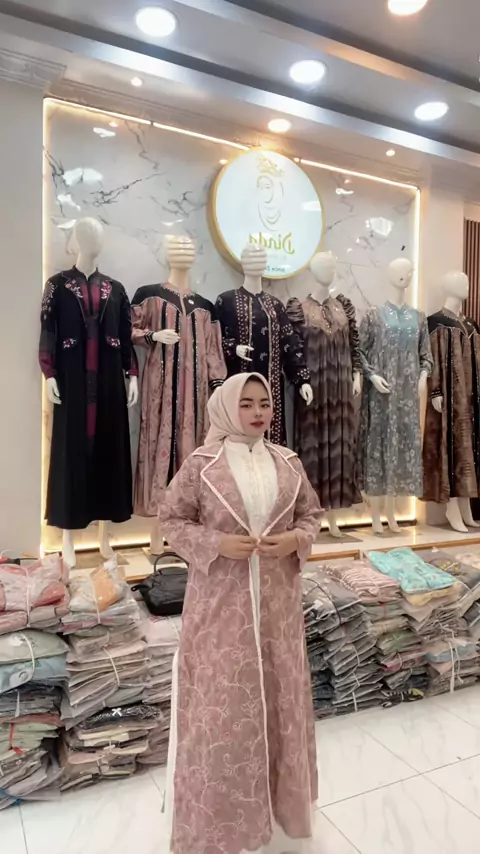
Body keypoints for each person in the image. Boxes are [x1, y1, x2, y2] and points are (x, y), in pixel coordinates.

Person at [157, 373, 321, 854]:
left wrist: (295, 540)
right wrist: (216, 543)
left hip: (278, 612)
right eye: (246, 404)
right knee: (223, 712)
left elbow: (311, 515)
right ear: (227, 408)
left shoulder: (288, 462)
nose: (257, 412)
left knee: (280, 702)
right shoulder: (201, 464)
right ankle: (222, 819)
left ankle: (281, 810)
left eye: (264, 403)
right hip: (221, 612)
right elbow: (171, 520)